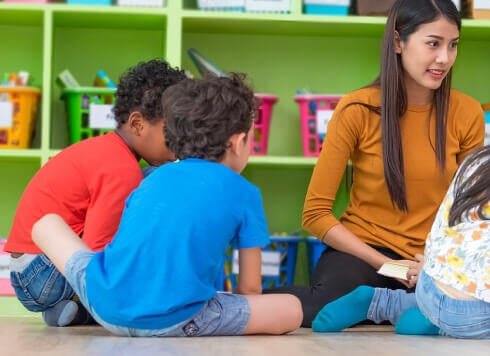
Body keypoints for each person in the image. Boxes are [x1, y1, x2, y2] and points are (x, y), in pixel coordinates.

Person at [312, 62, 490, 339]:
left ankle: (387, 303)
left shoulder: (481, 160)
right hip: (483, 316)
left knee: (466, 299)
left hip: (433, 290)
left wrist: (429, 271)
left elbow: (446, 223)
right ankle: (439, 324)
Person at [266, 0, 485, 327]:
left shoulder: (467, 113)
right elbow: (315, 213)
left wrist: (436, 262)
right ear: (398, 42)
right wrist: (391, 267)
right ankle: (230, 304)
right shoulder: (357, 108)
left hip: (434, 259)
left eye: (453, 45)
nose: (444, 57)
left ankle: (402, 308)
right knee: (325, 304)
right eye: (433, 43)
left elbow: (471, 212)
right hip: (363, 254)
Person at [30, 74, 302, 337]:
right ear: (238, 142)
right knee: (292, 308)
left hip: (106, 304)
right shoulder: (246, 193)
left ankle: (74, 309)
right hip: (177, 320)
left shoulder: (151, 176)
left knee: (47, 224)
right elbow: (251, 289)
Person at [4, 59, 186, 327]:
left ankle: (70, 310)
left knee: (157, 178)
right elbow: (96, 252)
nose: (179, 144)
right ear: (137, 124)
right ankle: (95, 307)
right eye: (172, 133)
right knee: (160, 180)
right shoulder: (121, 170)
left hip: (30, 271)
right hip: (40, 273)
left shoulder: (109, 151)